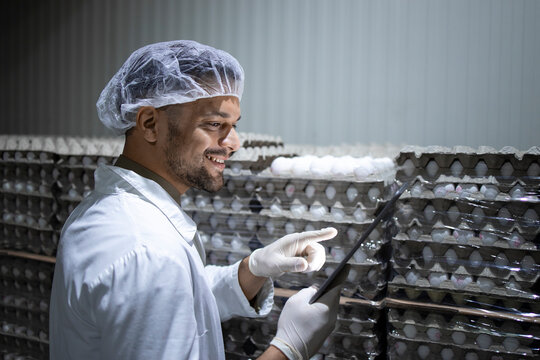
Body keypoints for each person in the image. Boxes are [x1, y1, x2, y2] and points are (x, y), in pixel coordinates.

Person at [49, 40, 344, 360]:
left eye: (233, 126)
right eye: (215, 124)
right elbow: (158, 279)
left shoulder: (110, 212)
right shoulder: (147, 249)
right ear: (150, 124)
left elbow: (174, 300)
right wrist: (289, 348)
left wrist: (253, 268)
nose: (234, 143)